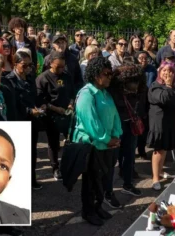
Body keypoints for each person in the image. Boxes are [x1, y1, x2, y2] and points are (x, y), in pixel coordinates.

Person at [73, 57, 122, 225]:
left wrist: (117, 135)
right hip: (92, 145)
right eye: (105, 74)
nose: (109, 77)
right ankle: (88, 211)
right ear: (95, 75)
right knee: (91, 181)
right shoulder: (86, 94)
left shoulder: (105, 92)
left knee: (103, 178)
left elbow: (114, 115)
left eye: (110, 74)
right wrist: (108, 140)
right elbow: (91, 123)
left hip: (108, 144)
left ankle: (98, 206)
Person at [1, 51, 42, 190]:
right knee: (18, 153)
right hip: (19, 120)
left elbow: (34, 97)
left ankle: (32, 179)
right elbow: (13, 103)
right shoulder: (8, 80)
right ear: (15, 64)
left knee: (32, 151)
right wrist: (28, 111)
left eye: (30, 65)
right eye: (24, 66)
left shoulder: (30, 78)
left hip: (33, 120)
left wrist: (38, 106)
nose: (28, 68)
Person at [108, 65, 146, 197]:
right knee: (112, 160)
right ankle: (108, 191)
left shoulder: (138, 91)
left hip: (131, 126)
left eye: (137, 81)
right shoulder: (114, 91)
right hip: (117, 128)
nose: (135, 84)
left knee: (130, 156)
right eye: (132, 81)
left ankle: (128, 184)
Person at [36, 51, 75, 181]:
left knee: (70, 141)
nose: (61, 69)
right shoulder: (43, 78)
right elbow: (40, 100)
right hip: (51, 116)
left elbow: (72, 92)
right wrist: (54, 108)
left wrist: (71, 103)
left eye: (63, 66)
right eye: (58, 66)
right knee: (53, 143)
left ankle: (68, 165)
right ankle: (55, 167)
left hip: (66, 114)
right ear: (50, 63)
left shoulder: (66, 76)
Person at [148, 62, 175, 190]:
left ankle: (160, 171)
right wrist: (168, 85)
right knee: (158, 150)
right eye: (164, 70)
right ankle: (155, 179)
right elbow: (163, 98)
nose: (167, 73)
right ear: (159, 72)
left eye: (170, 71)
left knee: (164, 150)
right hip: (159, 122)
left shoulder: (174, 86)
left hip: (171, 121)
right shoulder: (155, 86)